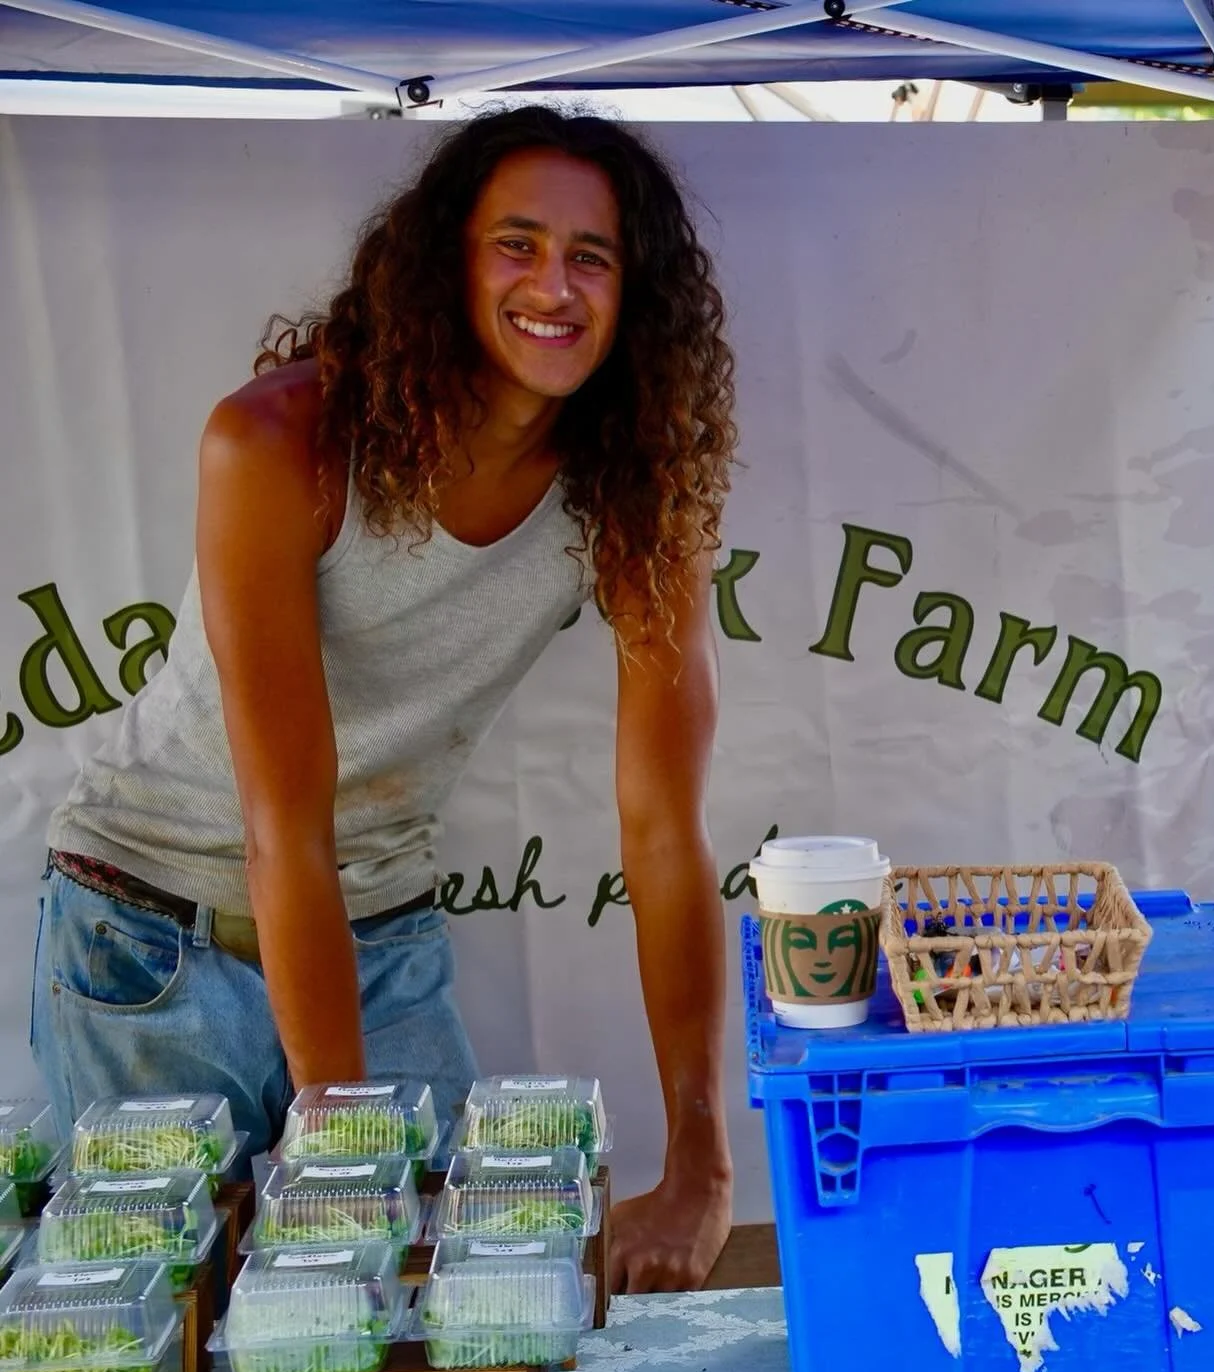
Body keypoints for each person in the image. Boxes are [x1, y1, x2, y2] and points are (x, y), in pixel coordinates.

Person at [30, 106, 736, 1292]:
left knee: (458, 1313)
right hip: (146, 928)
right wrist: (344, 1152)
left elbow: (664, 834)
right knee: (178, 1328)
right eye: (516, 245)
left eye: (593, 257)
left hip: (379, 929)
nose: (554, 286)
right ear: (446, 264)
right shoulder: (279, 442)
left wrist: (702, 1164)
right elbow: (283, 827)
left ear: (637, 295)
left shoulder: (638, 491)